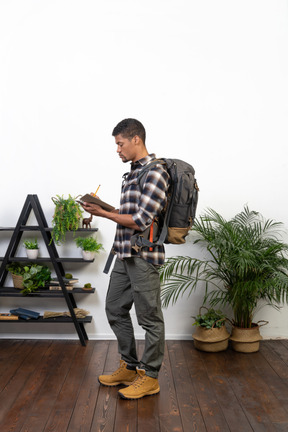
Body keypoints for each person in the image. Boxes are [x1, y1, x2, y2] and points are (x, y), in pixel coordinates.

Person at [82, 118, 170, 400]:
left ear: (136, 140)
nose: (117, 149)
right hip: (124, 253)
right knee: (115, 309)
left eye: (120, 143)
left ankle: (150, 377)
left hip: (143, 256)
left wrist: (104, 214)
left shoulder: (156, 173)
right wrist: (104, 208)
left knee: (149, 318)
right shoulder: (132, 174)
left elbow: (141, 219)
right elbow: (129, 211)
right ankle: (130, 366)